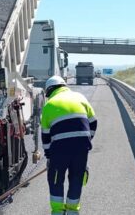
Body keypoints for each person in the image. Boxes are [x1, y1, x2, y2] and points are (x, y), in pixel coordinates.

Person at [41, 76, 97, 215]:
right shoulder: (80, 97)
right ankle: (72, 211)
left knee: (55, 179)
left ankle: (58, 212)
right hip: (81, 147)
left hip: (60, 150)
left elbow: (46, 137)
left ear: (50, 91)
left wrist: (49, 157)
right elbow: (94, 121)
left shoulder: (49, 105)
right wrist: (85, 139)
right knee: (77, 178)